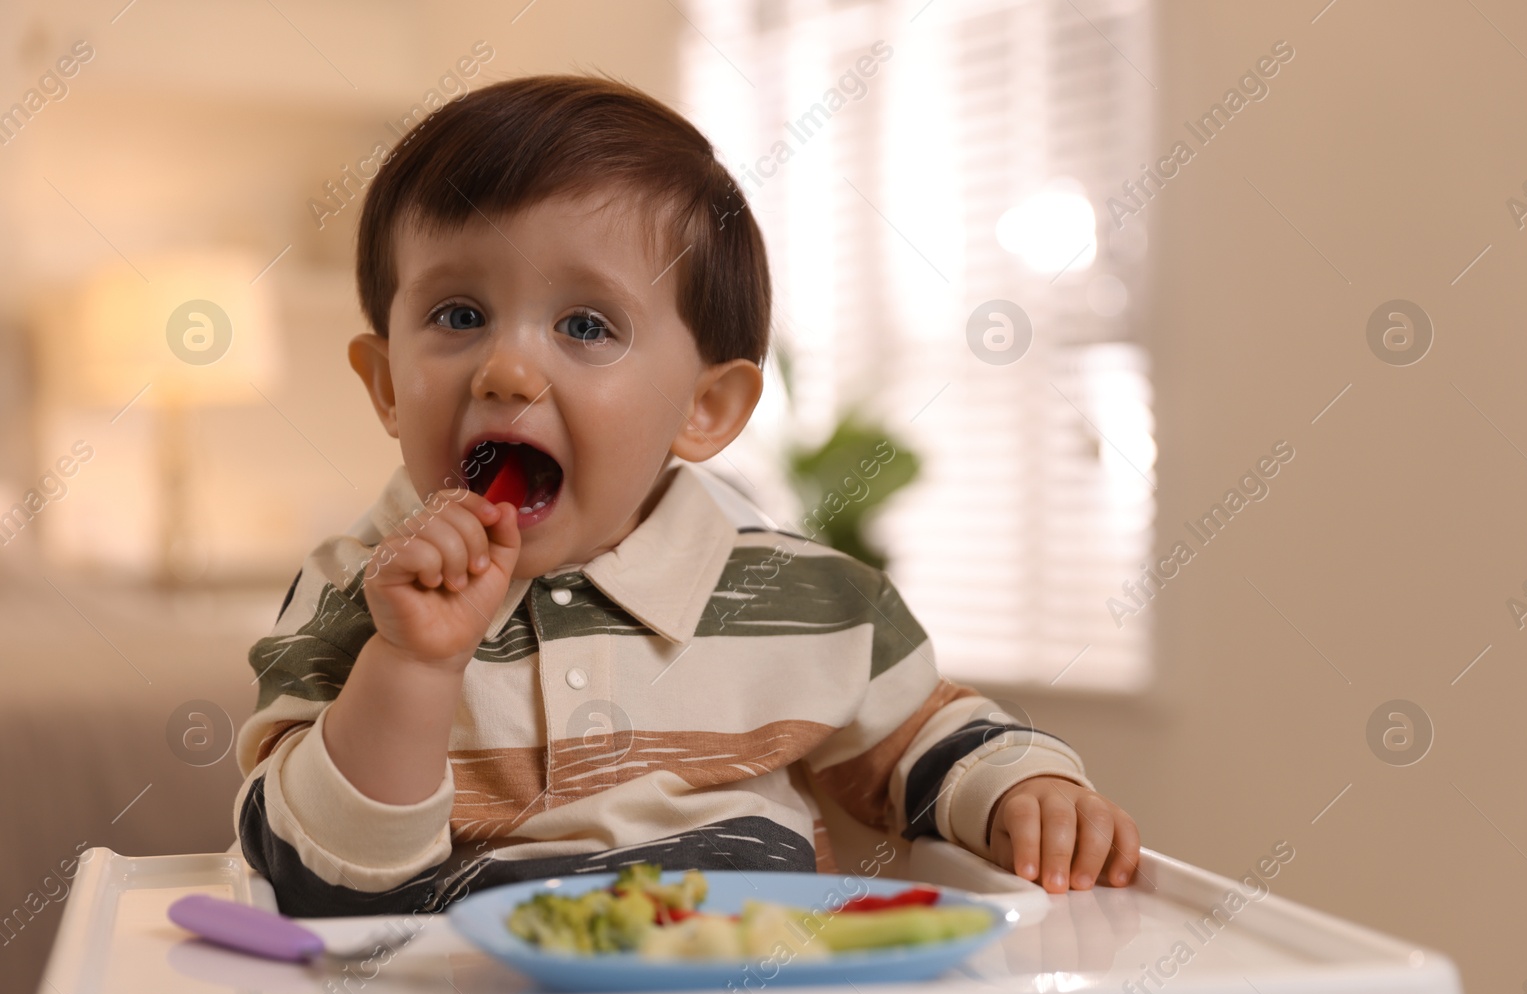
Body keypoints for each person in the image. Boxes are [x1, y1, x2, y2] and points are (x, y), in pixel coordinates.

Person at [233, 73, 1140, 917]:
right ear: (387, 384)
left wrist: (1028, 789)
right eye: (459, 315)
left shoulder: (805, 600)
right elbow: (316, 878)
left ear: (704, 408)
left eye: (586, 325)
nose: (506, 368)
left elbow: (925, 739)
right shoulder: (359, 593)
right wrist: (414, 666)